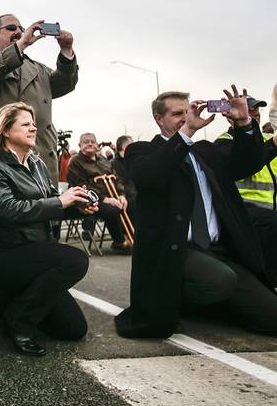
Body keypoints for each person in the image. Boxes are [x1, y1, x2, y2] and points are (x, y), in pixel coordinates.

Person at [115, 88, 277, 339]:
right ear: (159, 118)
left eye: (188, 111)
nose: (184, 117)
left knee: (271, 316)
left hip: (217, 250)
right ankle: (179, 298)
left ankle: (213, 302)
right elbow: (152, 176)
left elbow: (248, 162)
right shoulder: (142, 151)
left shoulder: (205, 151)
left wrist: (244, 122)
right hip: (177, 252)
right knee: (220, 280)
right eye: (177, 113)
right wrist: (186, 132)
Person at [0, 102, 95, 356]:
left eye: (34, 124)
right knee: (75, 260)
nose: (34, 128)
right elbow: (9, 210)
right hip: (3, 254)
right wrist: (60, 201)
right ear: (5, 130)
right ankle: (17, 322)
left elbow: (52, 201)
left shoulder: (37, 164)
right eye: (26, 124)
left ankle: (3, 300)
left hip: (35, 251)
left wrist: (78, 207)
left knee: (73, 329)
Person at [0, 14, 79, 180]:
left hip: (41, 158)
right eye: (11, 28)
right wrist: (20, 46)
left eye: (21, 29)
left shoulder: (38, 69)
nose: (18, 32)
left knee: (46, 205)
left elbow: (65, 84)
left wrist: (66, 51)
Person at [215, 95, 277, 279]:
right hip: (247, 222)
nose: (256, 113)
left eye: (257, 109)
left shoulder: (267, 138)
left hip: (272, 223)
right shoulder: (224, 142)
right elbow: (246, 163)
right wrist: (273, 145)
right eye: (250, 110)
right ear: (230, 115)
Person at [67, 133, 130, 252]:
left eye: (92, 141)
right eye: (86, 142)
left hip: (110, 196)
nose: (90, 143)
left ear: (97, 144)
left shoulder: (103, 160)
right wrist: (104, 199)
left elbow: (116, 178)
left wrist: (122, 195)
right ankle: (119, 242)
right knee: (112, 209)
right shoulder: (75, 162)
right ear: (80, 145)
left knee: (130, 203)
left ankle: (131, 236)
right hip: (87, 201)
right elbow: (81, 186)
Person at [112, 135, 137, 223]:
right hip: (124, 195)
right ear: (124, 147)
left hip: (134, 192)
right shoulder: (114, 163)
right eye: (132, 144)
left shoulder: (132, 160)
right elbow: (120, 183)